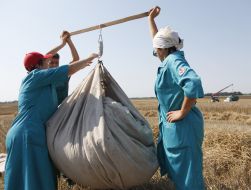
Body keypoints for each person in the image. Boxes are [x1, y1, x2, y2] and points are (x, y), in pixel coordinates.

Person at [4, 32, 99, 190]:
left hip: (25, 133)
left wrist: (64, 43)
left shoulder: (45, 81)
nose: (50, 63)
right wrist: (89, 58)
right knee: (35, 181)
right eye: (46, 61)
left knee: (24, 181)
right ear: (39, 64)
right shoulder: (36, 76)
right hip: (28, 133)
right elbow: (70, 67)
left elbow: (55, 59)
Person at [148, 7, 205, 190]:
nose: (154, 50)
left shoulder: (173, 61)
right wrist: (151, 20)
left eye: (156, 47)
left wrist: (183, 111)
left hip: (183, 128)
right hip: (174, 129)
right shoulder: (167, 58)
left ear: (162, 48)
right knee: (180, 176)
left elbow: (193, 83)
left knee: (189, 179)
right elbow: (157, 40)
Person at [47, 31, 80, 105]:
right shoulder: (44, 76)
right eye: (51, 63)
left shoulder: (63, 73)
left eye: (56, 63)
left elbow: (76, 59)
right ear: (47, 64)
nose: (54, 65)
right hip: (48, 112)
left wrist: (69, 41)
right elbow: (45, 56)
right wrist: (62, 44)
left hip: (62, 111)